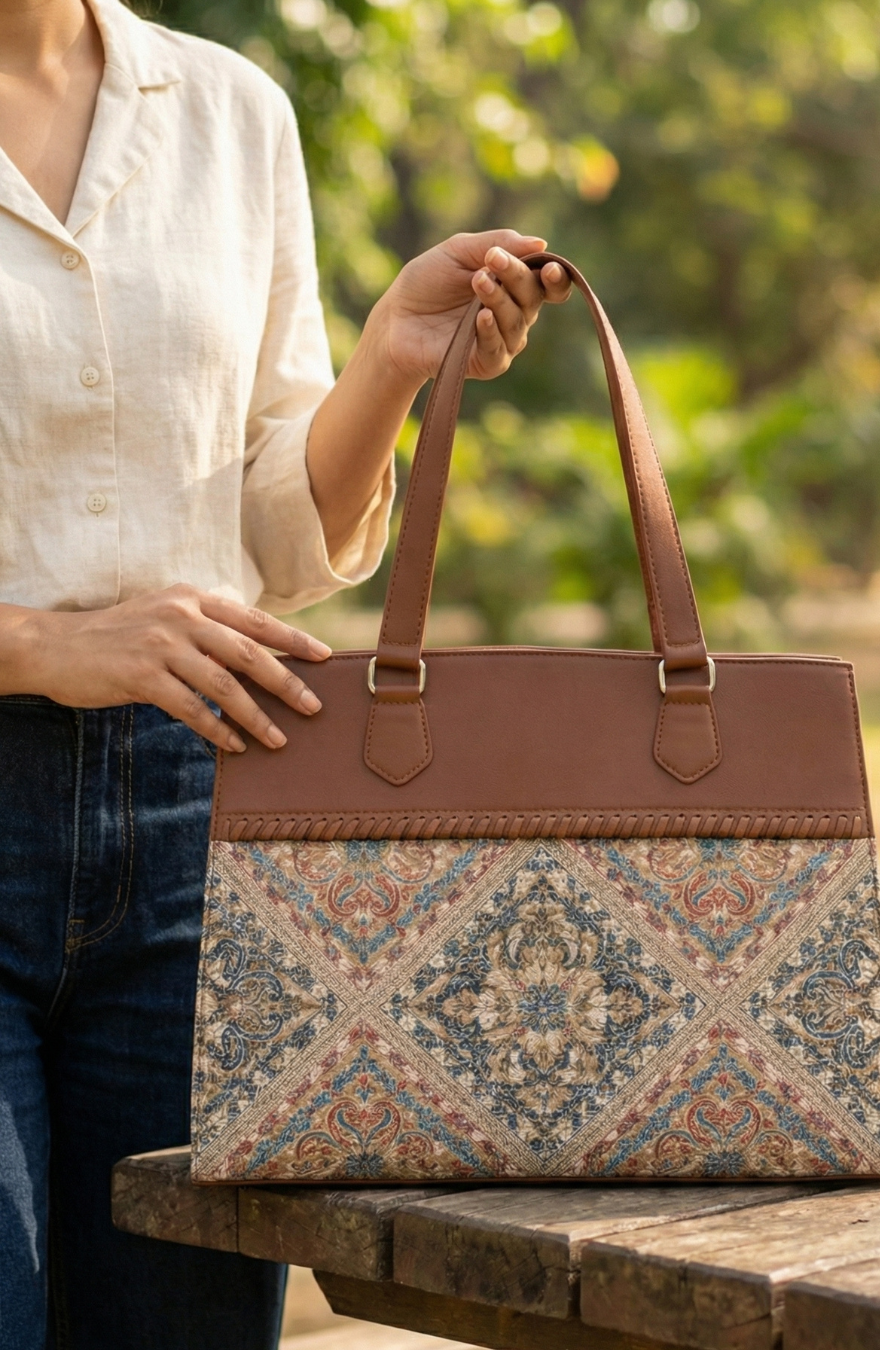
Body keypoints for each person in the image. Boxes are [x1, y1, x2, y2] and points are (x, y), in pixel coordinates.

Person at [0, 0, 570, 1343]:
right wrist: (37, 642)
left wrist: (390, 355)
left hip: (201, 819)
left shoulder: (231, 110)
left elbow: (278, 527)